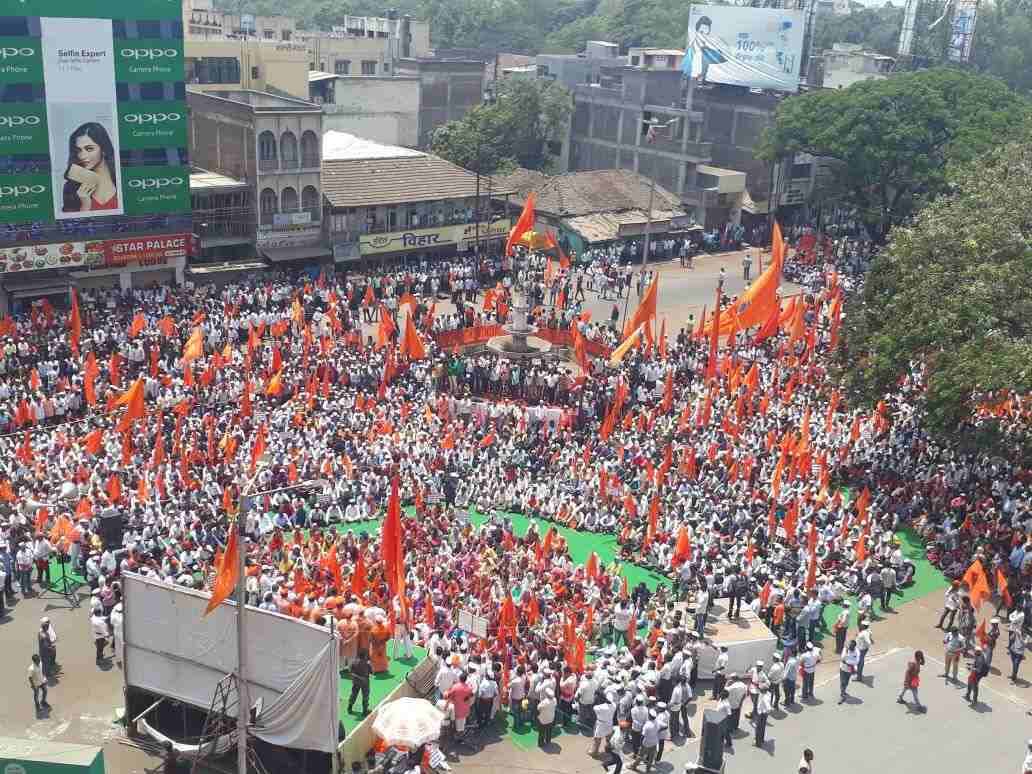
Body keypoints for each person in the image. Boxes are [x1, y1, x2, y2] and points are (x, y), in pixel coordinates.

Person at [62, 122, 119, 213]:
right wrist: (85, 206)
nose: (82, 156)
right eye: (79, 150)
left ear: (103, 149)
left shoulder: (121, 179)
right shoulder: (71, 187)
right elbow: (70, 225)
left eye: (89, 149)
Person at [347, 650, 372, 716]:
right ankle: (364, 711)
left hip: (355, 681)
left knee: (354, 694)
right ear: (364, 656)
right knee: (365, 696)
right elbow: (372, 672)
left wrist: (357, 676)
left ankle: (349, 708)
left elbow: (350, 672)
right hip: (365, 682)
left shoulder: (354, 662)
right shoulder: (367, 664)